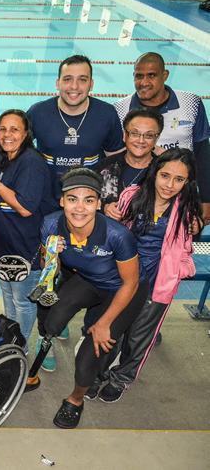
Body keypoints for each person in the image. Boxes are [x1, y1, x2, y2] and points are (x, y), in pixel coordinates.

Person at [28, 168, 147, 429]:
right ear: (62, 201)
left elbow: (131, 282)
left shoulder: (118, 235)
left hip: (123, 289)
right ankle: (35, 368)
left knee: (87, 355)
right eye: (72, 199)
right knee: (52, 321)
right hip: (89, 280)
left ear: (98, 204)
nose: (79, 208)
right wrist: (51, 255)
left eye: (88, 200)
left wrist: (104, 323)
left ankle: (76, 399)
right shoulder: (50, 224)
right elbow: (50, 272)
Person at [93, 149, 202, 402]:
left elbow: (186, 247)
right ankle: (96, 375)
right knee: (111, 330)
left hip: (157, 283)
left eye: (179, 179)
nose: (170, 184)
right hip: (124, 280)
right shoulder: (131, 197)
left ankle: (121, 378)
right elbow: (114, 236)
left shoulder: (186, 210)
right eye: (165, 175)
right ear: (154, 172)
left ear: (187, 182)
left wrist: (180, 269)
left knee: (139, 337)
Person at [0, 110, 55, 350]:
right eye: (3, 129)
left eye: (14, 129)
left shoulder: (31, 162)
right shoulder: (2, 159)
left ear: (25, 134)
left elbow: (24, 208)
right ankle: (10, 343)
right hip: (6, 245)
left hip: (27, 246)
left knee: (22, 302)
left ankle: (20, 349)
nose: (7, 135)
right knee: (10, 299)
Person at [113, 52, 210, 222]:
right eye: (139, 76)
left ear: (165, 75)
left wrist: (206, 199)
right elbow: (115, 159)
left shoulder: (191, 103)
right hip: (138, 198)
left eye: (151, 75)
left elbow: (203, 154)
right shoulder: (120, 109)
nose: (144, 82)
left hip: (183, 195)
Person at [27, 55, 123, 195]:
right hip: (45, 195)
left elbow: (116, 159)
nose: (74, 86)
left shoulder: (106, 114)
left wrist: (109, 197)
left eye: (82, 80)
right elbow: (17, 151)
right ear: (57, 83)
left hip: (90, 197)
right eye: (67, 79)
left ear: (91, 84)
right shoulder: (37, 112)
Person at [98, 109, 161, 220]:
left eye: (149, 136)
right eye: (135, 133)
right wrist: (104, 207)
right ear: (125, 135)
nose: (141, 140)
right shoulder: (105, 167)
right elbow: (88, 200)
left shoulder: (163, 171)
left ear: (157, 139)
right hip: (110, 233)